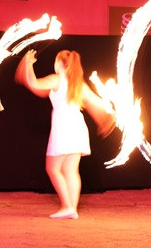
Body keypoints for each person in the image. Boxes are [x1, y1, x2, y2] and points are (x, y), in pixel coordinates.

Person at [16, 49, 113, 219]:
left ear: (61, 64)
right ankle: (72, 209)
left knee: (52, 168)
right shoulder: (79, 85)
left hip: (63, 128)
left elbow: (34, 84)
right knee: (70, 171)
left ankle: (67, 206)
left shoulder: (57, 79)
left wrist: (28, 64)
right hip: (77, 128)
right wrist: (105, 121)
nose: (54, 64)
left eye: (56, 61)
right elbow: (97, 104)